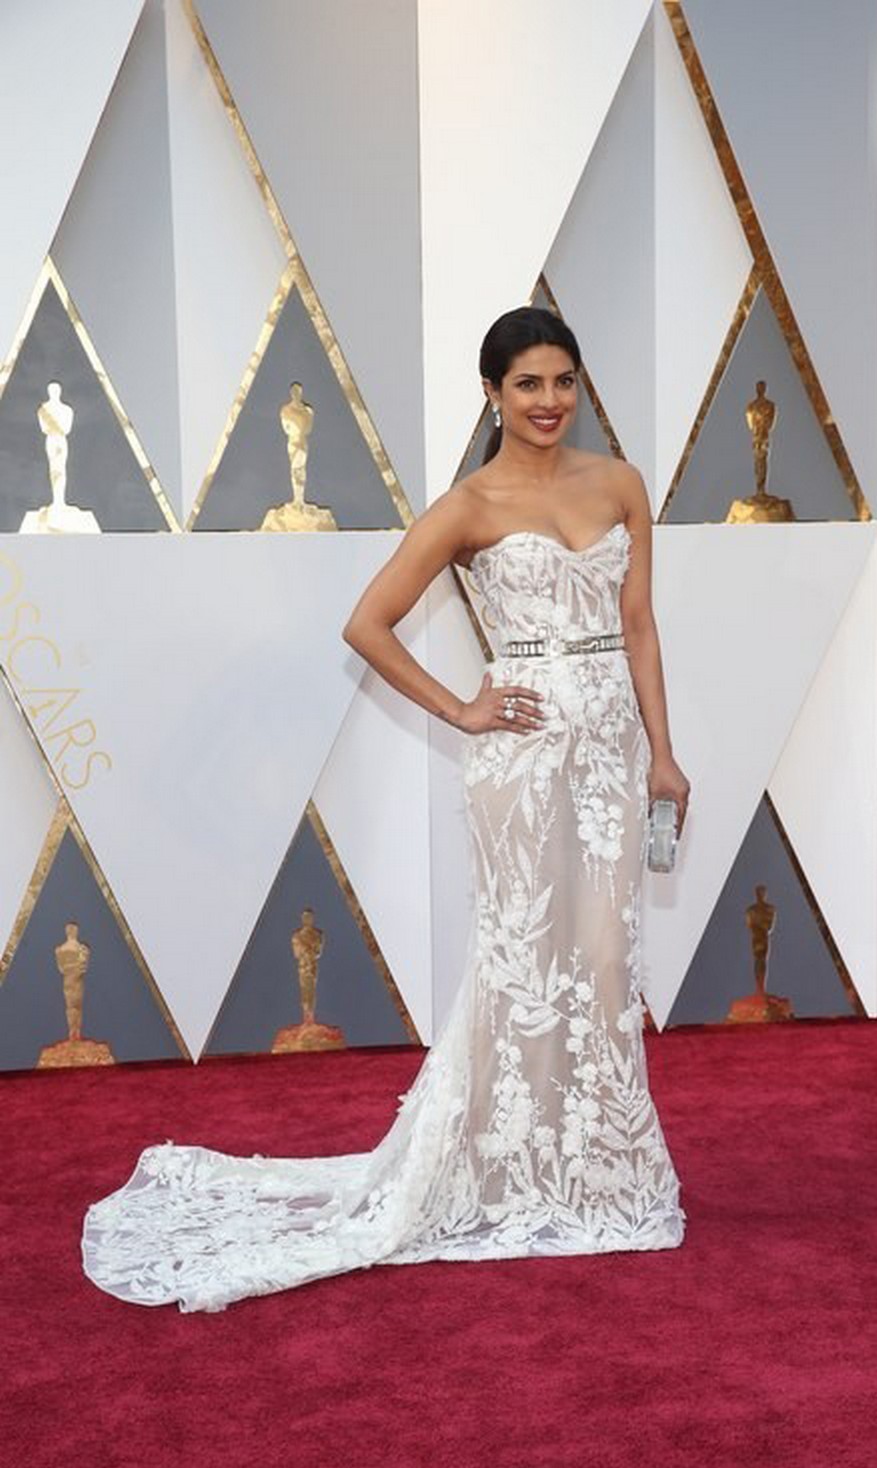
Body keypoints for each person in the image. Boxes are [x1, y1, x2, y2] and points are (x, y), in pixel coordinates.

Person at [81, 307, 690, 1312]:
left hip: (610, 755)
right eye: (528, 384)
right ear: (492, 393)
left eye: (563, 381)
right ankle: (505, 1169)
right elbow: (366, 623)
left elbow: (639, 627)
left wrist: (663, 754)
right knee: (523, 961)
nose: (549, 401)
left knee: (605, 958)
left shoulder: (620, 483)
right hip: (520, 759)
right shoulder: (467, 505)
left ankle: (601, 1173)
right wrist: (462, 708)